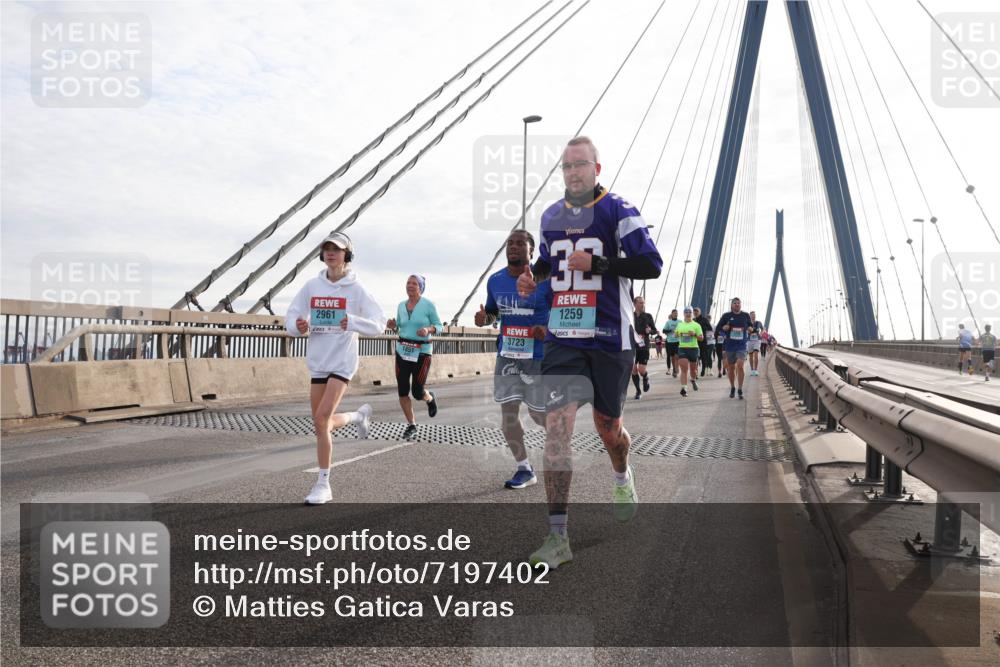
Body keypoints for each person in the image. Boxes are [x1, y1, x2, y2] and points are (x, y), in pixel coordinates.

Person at [516, 136, 662, 569]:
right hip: (565, 336)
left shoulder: (618, 210)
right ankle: (557, 536)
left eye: (581, 165)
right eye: (566, 166)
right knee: (558, 427)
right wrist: (534, 279)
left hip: (609, 338)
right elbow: (549, 261)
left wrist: (599, 265)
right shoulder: (550, 216)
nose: (573, 172)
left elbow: (651, 265)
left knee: (608, 428)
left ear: (597, 169)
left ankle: (622, 474)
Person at [285, 232, 387, 505]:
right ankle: (357, 417)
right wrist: (299, 326)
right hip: (319, 361)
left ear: (347, 255)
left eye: (337, 249)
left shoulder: (358, 289)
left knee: (320, 420)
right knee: (322, 424)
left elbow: (379, 323)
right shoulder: (311, 286)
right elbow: (292, 317)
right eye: (327, 248)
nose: (331, 253)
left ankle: (323, 484)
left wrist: (352, 321)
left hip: (342, 361)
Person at [476, 229, 551, 489]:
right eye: (510, 243)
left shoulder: (544, 280)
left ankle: (558, 442)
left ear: (532, 251)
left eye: (521, 243)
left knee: (539, 414)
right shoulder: (495, 280)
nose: (514, 247)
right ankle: (524, 468)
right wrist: (485, 319)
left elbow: (560, 312)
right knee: (508, 415)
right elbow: (494, 313)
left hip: (538, 356)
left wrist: (547, 329)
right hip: (508, 354)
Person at [386, 274, 442, 440]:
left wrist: (428, 330)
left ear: (421, 287)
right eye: (408, 283)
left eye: (414, 283)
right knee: (402, 391)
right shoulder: (401, 306)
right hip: (403, 350)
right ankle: (411, 425)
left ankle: (429, 397)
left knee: (417, 392)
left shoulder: (428, 305)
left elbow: (439, 326)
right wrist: (393, 326)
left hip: (422, 351)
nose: (410, 286)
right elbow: (401, 328)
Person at [716, 297, 754, 399]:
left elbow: (751, 327)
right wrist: (724, 330)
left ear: (740, 305)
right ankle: (733, 387)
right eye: (735, 303)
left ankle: (740, 389)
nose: (737, 305)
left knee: (740, 365)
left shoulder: (745, 315)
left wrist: (751, 329)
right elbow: (718, 329)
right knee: (731, 368)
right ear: (731, 305)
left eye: (738, 303)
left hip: (741, 345)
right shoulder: (726, 316)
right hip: (730, 346)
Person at [632, 296, 657, 400]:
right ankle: (638, 391)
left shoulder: (648, 316)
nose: (642, 305)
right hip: (632, 346)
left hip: (643, 346)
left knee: (641, 370)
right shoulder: (630, 315)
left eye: (643, 303)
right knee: (633, 370)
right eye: (640, 303)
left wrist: (650, 331)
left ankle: (645, 376)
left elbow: (655, 331)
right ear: (635, 304)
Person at [675, 307, 704, 396]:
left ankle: (693, 380)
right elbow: (676, 335)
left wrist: (694, 334)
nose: (688, 314)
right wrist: (677, 334)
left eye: (690, 312)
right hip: (682, 348)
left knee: (693, 370)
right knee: (684, 369)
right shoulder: (680, 325)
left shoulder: (696, 325)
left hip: (693, 349)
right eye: (686, 312)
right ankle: (684, 388)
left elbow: (701, 338)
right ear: (684, 314)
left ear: (692, 314)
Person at [693, 307, 713, 378]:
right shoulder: (693, 320)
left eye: (697, 311)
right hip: (694, 341)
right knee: (695, 357)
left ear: (700, 312)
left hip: (703, 340)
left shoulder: (705, 320)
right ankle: (696, 372)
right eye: (694, 311)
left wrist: (702, 329)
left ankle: (703, 369)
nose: (695, 313)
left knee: (703, 355)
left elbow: (710, 329)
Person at [663, 309, 680, 377]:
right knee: (672, 357)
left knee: (677, 356)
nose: (675, 314)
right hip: (670, 341)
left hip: (678, 341)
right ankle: (674, 370)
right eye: (674, 313)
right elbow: (664, 330)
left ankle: (676, 369)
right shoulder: (668, 322)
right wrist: (670, 330)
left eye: (676, 313)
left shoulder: (680, 322)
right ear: (672, 314)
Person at [747, 310, 764, 376]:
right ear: (750, 316)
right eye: (752, 315)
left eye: (754, 315)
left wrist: (761, 333)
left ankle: (756, 370)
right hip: (749, 340)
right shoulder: (747, 323)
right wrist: (747, 331)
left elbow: (762, 329)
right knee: (751, 356)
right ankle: (752, 370)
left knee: (756, 354)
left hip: (757, 340)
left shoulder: (758, 322)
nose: (753, 316)